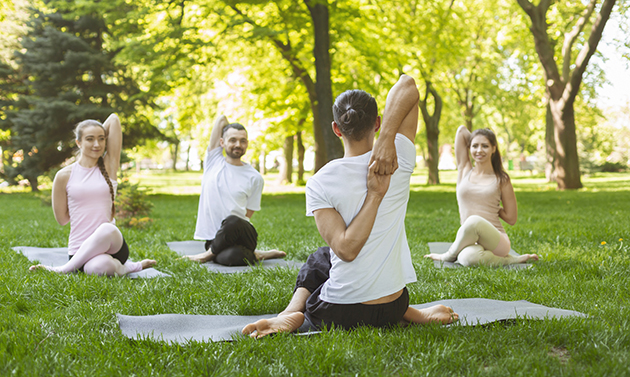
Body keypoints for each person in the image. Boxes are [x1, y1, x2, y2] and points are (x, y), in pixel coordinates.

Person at [242, 75, 458, 338]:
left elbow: (346, 250)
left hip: (338, 312)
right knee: (324, 255)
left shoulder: (319, 182)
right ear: (377, 123)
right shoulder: (398, 157)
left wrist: (375, 194)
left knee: (319, 262)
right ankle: (409, 313)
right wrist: (387, 140)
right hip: (393, 305)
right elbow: (407, 85)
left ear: (336, 128)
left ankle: (290, 314)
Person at [29, 114, 156, 275]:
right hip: (79, 250)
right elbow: (62, 220)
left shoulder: (109, 166)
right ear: (78, 142)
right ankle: (128, 267)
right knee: (99, 268)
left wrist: (94, 128)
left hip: (112, 245)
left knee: (106, 229)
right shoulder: (63, 176)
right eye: (89, 139)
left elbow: (114, 120)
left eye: (101, 139)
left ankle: (62, 269)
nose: (97, 144)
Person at [424, 126, 539, 266]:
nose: (479, 150)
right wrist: (477, 135)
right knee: (468, 259)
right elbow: (461, 131)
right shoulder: (464, 169)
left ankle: (448, 255)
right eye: (475, 146)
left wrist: (493, 207)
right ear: (469, 148)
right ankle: (510, 260)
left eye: (485, 146)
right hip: (471, 241)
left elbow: (511, 218)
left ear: (494, 149)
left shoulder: (501, 179)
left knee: (473, 221)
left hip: (496, 240)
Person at [184, 114, 286, 266]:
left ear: (247, 144)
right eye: (232, 140)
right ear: (222, 142)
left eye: (242, 141)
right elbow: (220, 119)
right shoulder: (213, 161)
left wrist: (230, 228)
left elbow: (247, 215)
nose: (238, 144)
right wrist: (229, 127)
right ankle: (257, 255)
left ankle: (206, 255)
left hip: (243, 234)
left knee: (232, 220)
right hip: (215, 237)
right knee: (231, 258)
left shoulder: (255, 177)